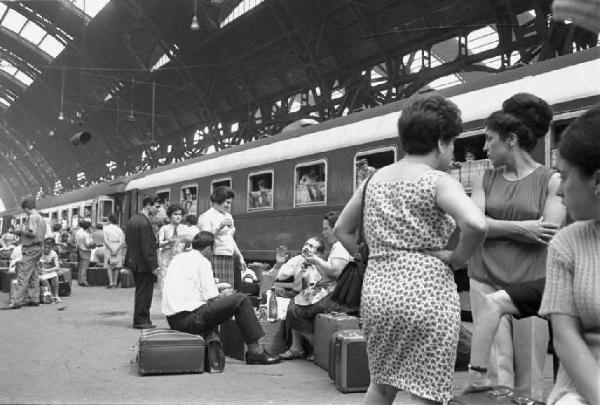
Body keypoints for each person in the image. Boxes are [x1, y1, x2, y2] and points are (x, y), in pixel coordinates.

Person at [333, 94, 488, 404]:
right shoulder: (438, 181)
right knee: (425, 391)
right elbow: (476, 224)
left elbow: (341, 229)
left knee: (381, 384)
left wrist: (374, 257)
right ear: (442, 142)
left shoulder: (373, 181)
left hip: (378, 294)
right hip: (426, 294)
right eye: (453, 143)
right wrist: (456, 259)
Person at [468, 93, 567, 400]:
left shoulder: (551, 180)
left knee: (530, 379)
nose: (484, 148)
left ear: (510, 138)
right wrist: (524, 227)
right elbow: (473, 225)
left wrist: (493, 227)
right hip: (485, 278)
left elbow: (548, 231)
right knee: (496, 377)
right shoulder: (485, 177)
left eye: (489, 139)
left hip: (532, 285)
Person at [538, 105, 600, 405]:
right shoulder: (567, 243)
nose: (560, 190)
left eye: (564, 176)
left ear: (598, 180)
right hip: (582, 390)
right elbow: (565, 338)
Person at [161, 231, 281, 365]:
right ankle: (256, 351)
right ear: (208, 249)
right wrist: (224, 295)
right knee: (241, 300)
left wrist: (217, 288)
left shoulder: (179, 258)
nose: (213, 255)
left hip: (174, 320)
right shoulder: (202, 262)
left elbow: (190, 289)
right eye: (213, 251)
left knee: (225, 304)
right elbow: (211, 297)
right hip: (190, 320)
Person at [280, 212, 352, 361]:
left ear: (336, 229)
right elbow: (328, 274)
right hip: (331, 290)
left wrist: (316, 261)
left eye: (326, 229)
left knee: (296, 307)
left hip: (337, 295)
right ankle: (297, 347)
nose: (324, 233)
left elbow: (335, 271)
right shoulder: (337, 246)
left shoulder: (340, 246)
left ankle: (320, 350)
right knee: (295, 302)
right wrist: (314, 261)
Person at [3, 198, 48, 310]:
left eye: (24, 210)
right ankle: (34, 299)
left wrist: (19, 231)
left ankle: (16, 301)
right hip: (38, 249)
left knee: (23, 275)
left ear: (27, 208)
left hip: (30, 248)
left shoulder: (32, 217)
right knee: (34, 274)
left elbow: (31, 233)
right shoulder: (41, 218)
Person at [198, 186, 245, 288]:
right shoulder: (206, 217)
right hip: (215, 256)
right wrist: (219, 227)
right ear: (218, 201)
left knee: (230, 289)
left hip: (229, 255)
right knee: (219, 290)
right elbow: (205, 240)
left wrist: (240, 256)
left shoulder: (228, 216)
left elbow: (230, 238)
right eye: (227, 203)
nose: (229, 206)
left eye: (230, 203)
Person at [125, 195, 161, 329]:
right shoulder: (145, 223)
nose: (158, 210)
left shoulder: (133, 220)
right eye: (156, 207)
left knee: (140, 292)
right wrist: (154, 266)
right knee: (145, 293)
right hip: (144, 264)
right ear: (148, 206)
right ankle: (142, 320)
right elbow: (147, 247)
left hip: (135, 262)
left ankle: (140, 319)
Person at [103, 213, 124, 289]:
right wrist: (116, 249)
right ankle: (115, 283)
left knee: (109, 266)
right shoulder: (119, 229)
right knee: (116, 266)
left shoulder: (106, 229)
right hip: (117, 246)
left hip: (109, 247)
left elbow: (105, 241)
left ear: (109, 220)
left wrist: (111, 249)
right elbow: (122, 242)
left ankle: (110, 282)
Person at [39, 237, 62, 303]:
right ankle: (50, 296)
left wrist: (47, 271)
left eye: (48, 248)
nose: (46, 249)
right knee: (43, 279)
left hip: (48, 271)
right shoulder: (39, 253)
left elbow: (57, 267)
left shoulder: (54, 254)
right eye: (45, 247)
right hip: (39, 272)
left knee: (55, 276)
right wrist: (41, 271)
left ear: (51, 248)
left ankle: (56, 296)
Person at [74, 220, 94, 287]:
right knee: (84, 267)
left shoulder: (78, 233)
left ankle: (80, 280)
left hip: (79, 249)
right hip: (85, 251)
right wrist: (93, 244)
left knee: (80, 266)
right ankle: (84, 281)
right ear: (88, 227)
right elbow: (88, 245)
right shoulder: (86, 235)